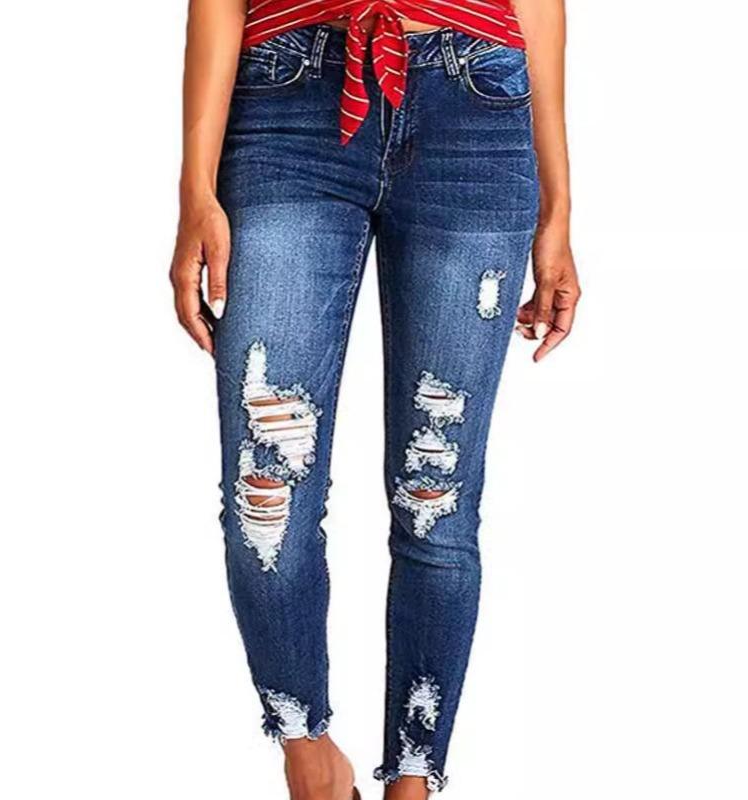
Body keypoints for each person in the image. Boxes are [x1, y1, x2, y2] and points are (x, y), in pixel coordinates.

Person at [169, 1, 581, 797]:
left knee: (437, 499)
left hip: (477, 109)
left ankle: (413, 781)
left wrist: (558, 210)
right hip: (286, 103)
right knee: (266, 495)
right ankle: (308, 753)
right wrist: (195, 188)